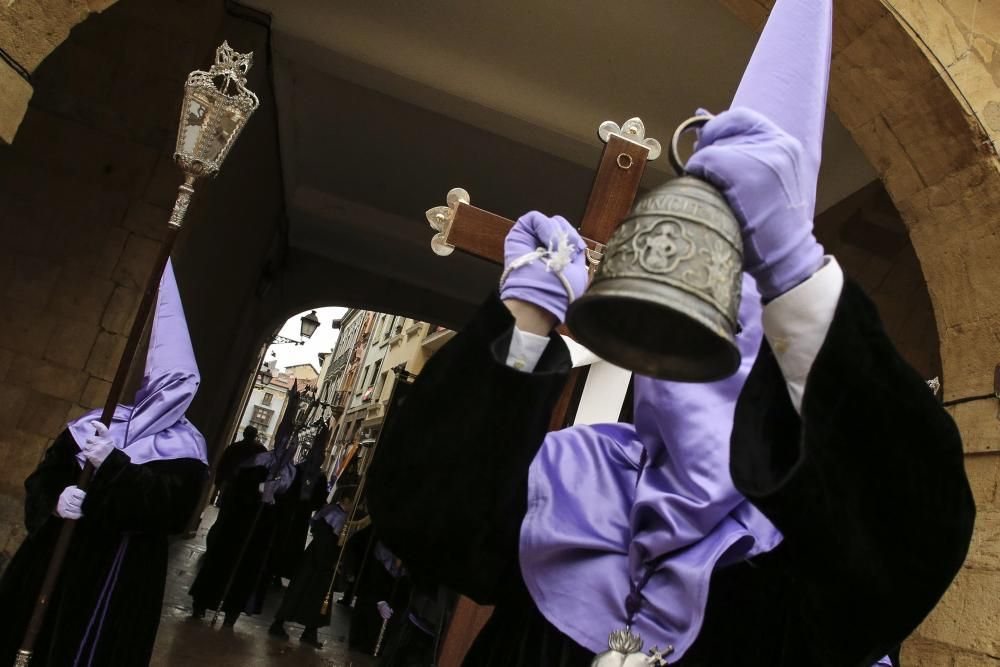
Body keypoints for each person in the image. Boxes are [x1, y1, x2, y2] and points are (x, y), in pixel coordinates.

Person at [367, 1, 974, 665]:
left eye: (732, 352)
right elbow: (426, 509)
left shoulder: (805, 564)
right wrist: (526, 316)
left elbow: (916, 525)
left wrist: (795, 270)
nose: (691, 388)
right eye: (679, 349)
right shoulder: (578, 487)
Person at [0, 260, 210, 666]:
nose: (174, 394)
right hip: (55, 558)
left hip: (120, 574)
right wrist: (55, 501)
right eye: (168, 384)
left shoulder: (187, 447)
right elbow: (45, 476)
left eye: (183, 387)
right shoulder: (96, 423)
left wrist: (112, 466)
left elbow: (171, 511)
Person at [189, 423, 299, 626]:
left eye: (293, 445)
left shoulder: (291, 473)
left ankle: (232, 612)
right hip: (238, 523)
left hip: (261, 531)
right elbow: (238, 484)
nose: (288, 448)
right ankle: (202, 603)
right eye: (286, 443)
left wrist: (273, 502)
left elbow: (289, 506)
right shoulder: (259, 459)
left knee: (247, 572)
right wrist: (257, 490)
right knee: (220, 563)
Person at [268, 485, 369, 647]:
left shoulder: (345, 516)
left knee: (319, 599)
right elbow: (322, 540)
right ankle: (278, 624)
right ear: (346, 500)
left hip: (326, 564)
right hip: (315, 561)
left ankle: (310, 632)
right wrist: (330, 560)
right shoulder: (332, 513)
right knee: (299, 593)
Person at [266, 424, 330, 585]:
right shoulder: (299, 470)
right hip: (290, 512)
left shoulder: (317, 476)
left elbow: (319, 498)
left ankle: (280, 572)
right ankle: (273, 570)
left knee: (291, 544)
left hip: (300, 515)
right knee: (282, 540)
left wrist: (310, 503)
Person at [348, 539, 409, 655]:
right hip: (381, 568)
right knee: (370, 602)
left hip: (397, 573)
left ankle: (376, 645)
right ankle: (364, 643)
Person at [212, 425, 265, 505]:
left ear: (244, 434)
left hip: (232, 484)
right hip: (249, 489)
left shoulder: (234, 447)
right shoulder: (261, 450)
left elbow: (222, 465)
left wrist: (219, 482)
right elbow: (264, 471)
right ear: (255, 436)